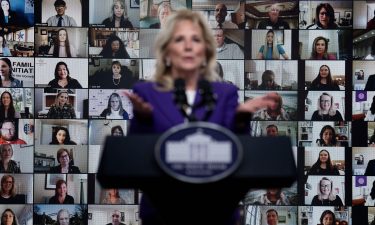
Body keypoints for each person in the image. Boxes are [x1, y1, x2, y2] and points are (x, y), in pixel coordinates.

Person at [126, 10, 279, 224]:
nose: (188, 46)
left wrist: (241, 118)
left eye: (195, 39)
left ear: (206, 49)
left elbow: (236, 156)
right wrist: (143, 120)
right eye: (179, 39)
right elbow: (137, 162)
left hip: (217, 211)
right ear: (168, 49)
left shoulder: (226, 93)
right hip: (163, 211)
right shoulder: (147, 93)